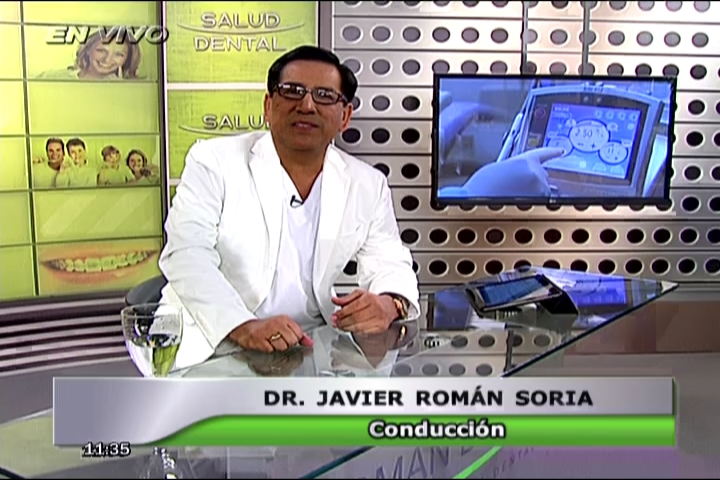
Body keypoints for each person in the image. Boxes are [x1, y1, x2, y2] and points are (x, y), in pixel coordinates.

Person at [159, 46, 421, 369]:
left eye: (324, 95)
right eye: (292, 91)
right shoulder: (213, 162)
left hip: (311, 344)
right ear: (268, 106)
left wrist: (389, 303)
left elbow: (389, 260)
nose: (307, 105)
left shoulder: (367, 184)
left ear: (345, 116)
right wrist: (243, 326)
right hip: (212, 341)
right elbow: (186, 254)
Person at [37, 30, 142, 80]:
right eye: (101, 50)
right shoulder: (51, 77)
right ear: (88, 50)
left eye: (118, 54)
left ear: (127, 59)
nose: (107, 59)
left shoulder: (128, 91)